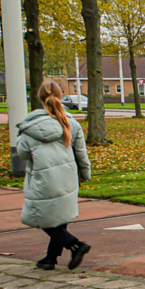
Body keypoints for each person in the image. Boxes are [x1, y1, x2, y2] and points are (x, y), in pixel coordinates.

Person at [18, 81, 92, 271]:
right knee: (59, 217)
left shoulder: (30, 127)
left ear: (40, 98)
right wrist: (85, 174)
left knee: (39, 216)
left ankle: (74, 245)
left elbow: (22, 153)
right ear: (61, 96)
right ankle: (51, 258)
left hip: (43, 178)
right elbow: (81, 153)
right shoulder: (71, 123)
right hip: (68, 177)